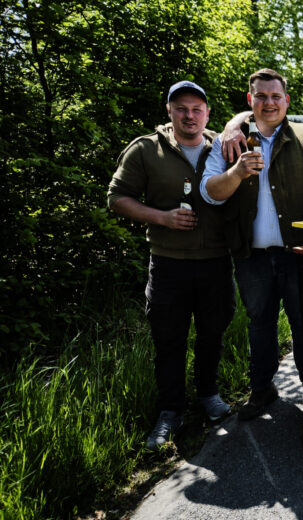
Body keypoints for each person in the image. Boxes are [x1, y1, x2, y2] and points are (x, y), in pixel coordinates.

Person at [200, 69, 303, 420]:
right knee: (259, 324)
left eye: (275, 97)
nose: (269, 103)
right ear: (250, 101)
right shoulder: (231, 142)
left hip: (300, 253)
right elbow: (210, 192)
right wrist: (237, 171)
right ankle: (261, 390)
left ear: (287, 101)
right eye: (261, 97)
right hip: (252, 256)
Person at [108, 81, 235, 450]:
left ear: (208, 113)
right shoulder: (146, 150)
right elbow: (117, 198)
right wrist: (161, 218)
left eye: (197, 109)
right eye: (181, 108)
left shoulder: (224, 147)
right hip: (168, 265)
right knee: (168, 340)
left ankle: (209, 396)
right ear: (169, 111)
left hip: (215, 262)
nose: (189, 115)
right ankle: (170, 410)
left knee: (213, 332)